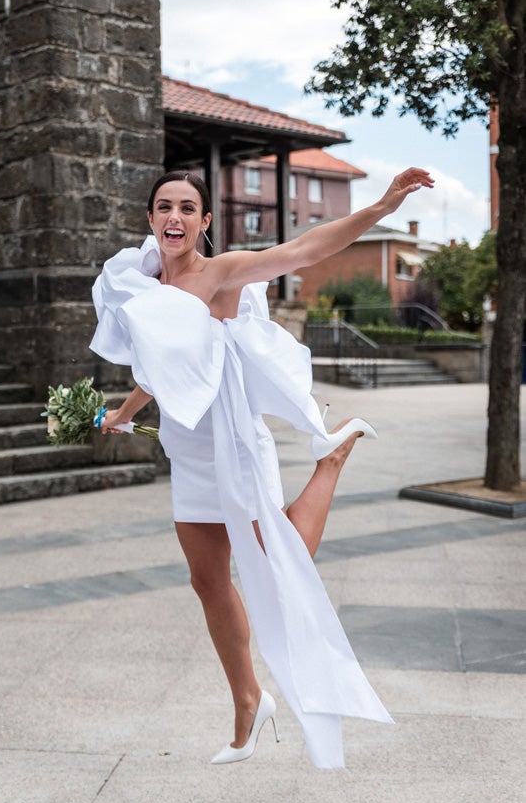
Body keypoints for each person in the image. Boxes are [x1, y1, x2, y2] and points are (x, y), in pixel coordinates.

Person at [90, 166, 434, 768]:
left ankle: (330, 459)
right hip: (187, 446)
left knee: (276, 562)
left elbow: (304, 248)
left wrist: (380, 209)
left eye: (186, 209)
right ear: (150, 219)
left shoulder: (219, 274)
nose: (174, 217)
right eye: (164, 207)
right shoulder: (143, 285)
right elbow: (159, 367)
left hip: (233, 439)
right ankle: (248, 699)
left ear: (204, 223)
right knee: (207, 581)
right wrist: (122, 412)